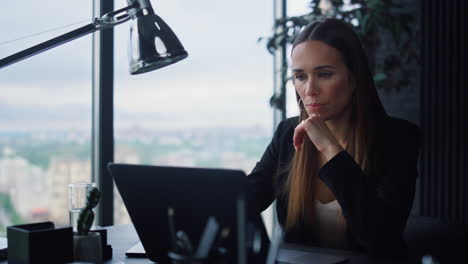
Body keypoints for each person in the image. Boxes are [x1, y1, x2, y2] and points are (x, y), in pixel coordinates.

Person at [247, 18, 421, 258]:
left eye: (325, 74)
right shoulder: (288, 133)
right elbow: (244, 203)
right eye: (300, 76)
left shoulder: (399, 138)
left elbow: (382, 238)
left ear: (354, 78)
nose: (309, 90)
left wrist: (330, 147)